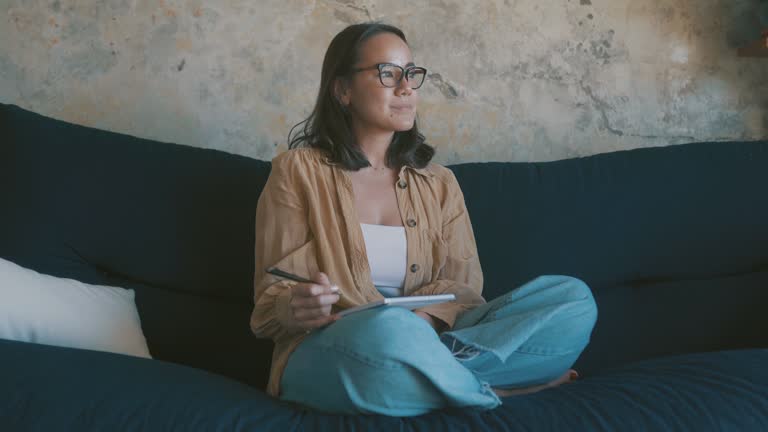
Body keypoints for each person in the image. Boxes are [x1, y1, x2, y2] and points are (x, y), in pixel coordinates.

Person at [250, 22, 598, 416]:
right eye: (387, 73)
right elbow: (269, 305)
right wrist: (294, 307)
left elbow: (465, 291)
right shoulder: (297, 172)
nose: (406, 88)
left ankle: (432, 375)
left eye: (411, 74)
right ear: (342, 90)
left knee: (573, 300)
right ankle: (498, 393)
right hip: (336, 350)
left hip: (431, 341)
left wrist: (423, 322)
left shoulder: (440, 183)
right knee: (387, 331)